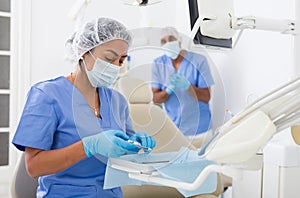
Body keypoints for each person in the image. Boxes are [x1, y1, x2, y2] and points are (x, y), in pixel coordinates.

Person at [12, 17, 156, 198]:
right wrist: (89, 146)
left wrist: (136, 146)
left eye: (121, 60)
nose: (115, 66)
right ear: (84, 52)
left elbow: (122, 155)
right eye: (109, 58)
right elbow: (34, 167)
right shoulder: (46, 95)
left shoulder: (117, 101)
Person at [151, 27, 214, 148]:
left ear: (179, 41)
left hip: (200, 130)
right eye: (163, 41)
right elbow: (156, 99)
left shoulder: (199, 61)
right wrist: (168, 90)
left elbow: (206, 97)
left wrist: (188, 86)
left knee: (205, 165)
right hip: (174, 130)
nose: (168, 43)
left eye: (171, 39)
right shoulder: (158, 63)